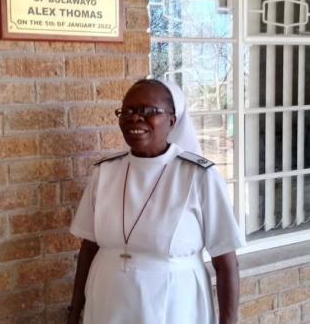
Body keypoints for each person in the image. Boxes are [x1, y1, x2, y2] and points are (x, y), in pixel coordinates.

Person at [67, 79, 244, 324]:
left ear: (172, 120)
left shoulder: (199, 176)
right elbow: (89, 247)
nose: (135, 118)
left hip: (174, 304)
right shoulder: (105, 172)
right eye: (127, 111)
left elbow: (226, 263)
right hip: (107, 301)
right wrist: (75, 310)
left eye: (149, 111)